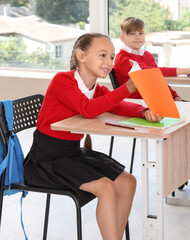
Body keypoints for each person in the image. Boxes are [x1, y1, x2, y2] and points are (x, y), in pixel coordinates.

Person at [23, 33, 161, 240]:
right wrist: (127, 88)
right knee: (105, 187)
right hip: (47, 160)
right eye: (103, 55)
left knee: (128, 182)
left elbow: (115, 104)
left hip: (73, 154)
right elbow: (87, 109)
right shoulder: (63, 81)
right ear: (81, 55)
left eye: (112, 57)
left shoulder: (95, 88)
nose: (109, 62)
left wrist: (142, 112)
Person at [113, 17, 190, 101]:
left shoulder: (147, 55)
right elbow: (149, 72)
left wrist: (174, 96)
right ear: (122, 38)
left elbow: (159, 80)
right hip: (135, 103)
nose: (138, 37)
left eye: (141, 33)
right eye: (132, 34)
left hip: (153, 100)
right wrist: (184, 70)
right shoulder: (122, 58)